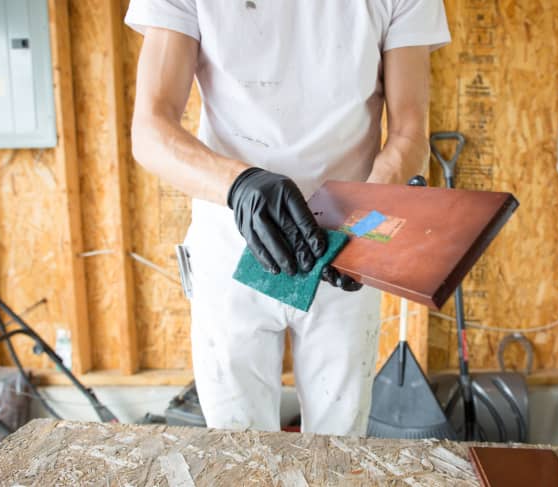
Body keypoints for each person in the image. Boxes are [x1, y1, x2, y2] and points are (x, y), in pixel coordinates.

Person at [126, 1, 450, 436]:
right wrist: (239, 186)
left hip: (342, 246)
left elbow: (410, 131)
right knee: (237, 450)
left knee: (338, 448)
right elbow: (150, 129)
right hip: (232, 244)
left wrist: (368, 222)